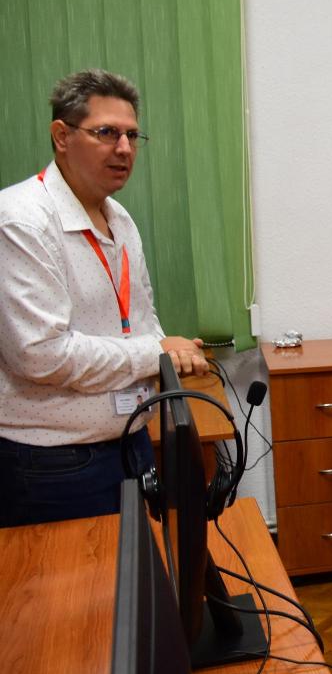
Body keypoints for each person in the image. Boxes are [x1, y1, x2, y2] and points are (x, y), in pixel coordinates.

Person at [0, 69, 208, 527]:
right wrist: (156, 352)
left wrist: (170, 353)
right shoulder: (21, 221)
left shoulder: (119, 217)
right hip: (55, 463)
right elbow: (41, 355)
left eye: (132, 135)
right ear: (62, 136)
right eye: (107, 133)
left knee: (139, 570)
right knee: (79, 578)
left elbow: (142, 317)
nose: (125, 148)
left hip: (130, 442)